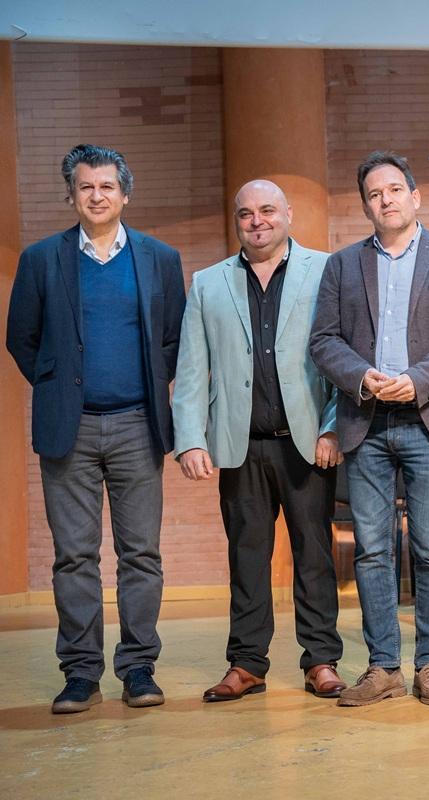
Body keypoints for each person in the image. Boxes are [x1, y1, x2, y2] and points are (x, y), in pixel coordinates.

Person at [6, 144, 185, 713]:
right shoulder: (42, 259)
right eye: (86, 187)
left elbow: (174, 338)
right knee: (74, 557)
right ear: (72, 196)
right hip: (70, 431)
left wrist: (147, 383)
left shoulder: (160, 258)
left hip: (138, 426)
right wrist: (59, 385)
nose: (97, 195)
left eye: (107, 186)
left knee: (141, 555)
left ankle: (139, 668)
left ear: (125, 194)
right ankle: (81, 673)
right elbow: (21, 338)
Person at [310, 152, 429, 707]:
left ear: (415, 196)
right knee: (372, 550)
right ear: (366, 206)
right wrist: (361, 377)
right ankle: (383, 666)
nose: (384, 199)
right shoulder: (343, 265)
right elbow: (324, 341)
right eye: (373, 194)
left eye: (393, 189)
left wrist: (416, 381)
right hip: (366, 421)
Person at [172, 180, 346, 702]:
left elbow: (341, 357)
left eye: (267, 210)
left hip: (307, 442)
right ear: (237, 221)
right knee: (246, 557)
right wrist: (190, 439)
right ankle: (246, 664)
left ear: (288, 213)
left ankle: (321, 660)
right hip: (239, 444)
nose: (257, 221)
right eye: (246, 213)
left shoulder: (326, 271)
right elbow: (192, 367)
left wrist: (333, 426)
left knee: (314, 554)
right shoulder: (208, 283)